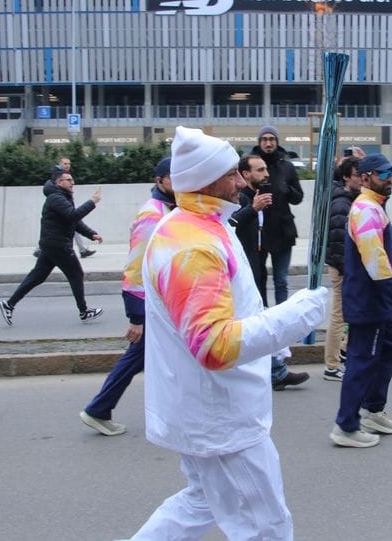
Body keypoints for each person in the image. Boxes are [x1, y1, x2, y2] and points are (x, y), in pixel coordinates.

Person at [131, 126, 327, 539]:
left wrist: (274, 343)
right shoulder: (193, 247)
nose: (242, 181)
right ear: (206, 180)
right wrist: (296, 316)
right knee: (266, 526)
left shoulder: (200, 224)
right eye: (232, 174)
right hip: (220, 417)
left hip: (207, 407)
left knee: (201, 502)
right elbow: (214, 346)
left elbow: (236, 309)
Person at [79, 157, 175, 437]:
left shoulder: (169, 209)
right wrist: (136, 315)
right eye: (174, 177)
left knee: (152, 357)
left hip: (163, 301)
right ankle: (98, 409)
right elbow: (136, 265)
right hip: (151, 304)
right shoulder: (153, 214)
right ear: (159, 181)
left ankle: (100, 409)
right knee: (138, 356)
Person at [330, 154, 392, 448]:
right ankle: (345, 426)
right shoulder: (366, 209)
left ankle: (372, 410)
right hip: (369, 301)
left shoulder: (375, 206)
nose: (390, 179)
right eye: (383, 174)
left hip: (378, 301)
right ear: (366, 178)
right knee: (361, 361)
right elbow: (376, 263)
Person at [231, 154, 309, 390]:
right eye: (260, 170)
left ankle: (276, 371)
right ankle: (275, 372)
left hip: (254, 268)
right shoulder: (241, 198)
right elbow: (229, 225)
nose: (266, 174)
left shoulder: (257, 195)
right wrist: (252, 209)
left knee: (260, 320)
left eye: (266, 169)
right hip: (241, 272)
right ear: (246, 174)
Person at [0, 169, 104, 325]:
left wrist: (91, 234)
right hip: (59, 245)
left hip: (51, 245)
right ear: (59, 182)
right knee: (76, 274)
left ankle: (9, 304)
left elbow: (72, 221)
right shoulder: (56, 198)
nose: (73, 182)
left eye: (72, 180)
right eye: (69, 180)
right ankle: (84, 312)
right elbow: (73, 216)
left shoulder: (61, 196)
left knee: (37, 276)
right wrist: (92, 202)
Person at [248, 125, 304, 306]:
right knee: (259, 277)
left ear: (277, 142)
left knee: (281, 280)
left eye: (272, 139)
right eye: (264, 139)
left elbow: (298, 197)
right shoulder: (250, 164)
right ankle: (262, 311)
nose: (268, 143)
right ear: (259, 142)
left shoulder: (286, 167)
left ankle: (282, 315)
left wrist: (286, 189)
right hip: (258, 231)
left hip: (282, 231)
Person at [323, 155, 362, 381]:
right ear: (346, 177)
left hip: (347, 266)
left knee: (350, 314)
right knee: (339, 316)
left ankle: (344, 352)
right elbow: (338, 241)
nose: (361, 179)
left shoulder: (352, 198)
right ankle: (331, 365)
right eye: (357, 175)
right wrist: (346, 270)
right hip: (342, 267)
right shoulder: (341, 203)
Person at [33, 156, 95, 259]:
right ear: (60, 164)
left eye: (69, 164)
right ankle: (40, 249)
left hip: (61, 210)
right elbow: (54, 191)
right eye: (65, 163)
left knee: (71, 224)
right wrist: (92, 202)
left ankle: (82, 249)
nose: (67, 165)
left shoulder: (62, 176)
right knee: (68, 223)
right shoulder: (58, 176)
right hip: (59, 210)